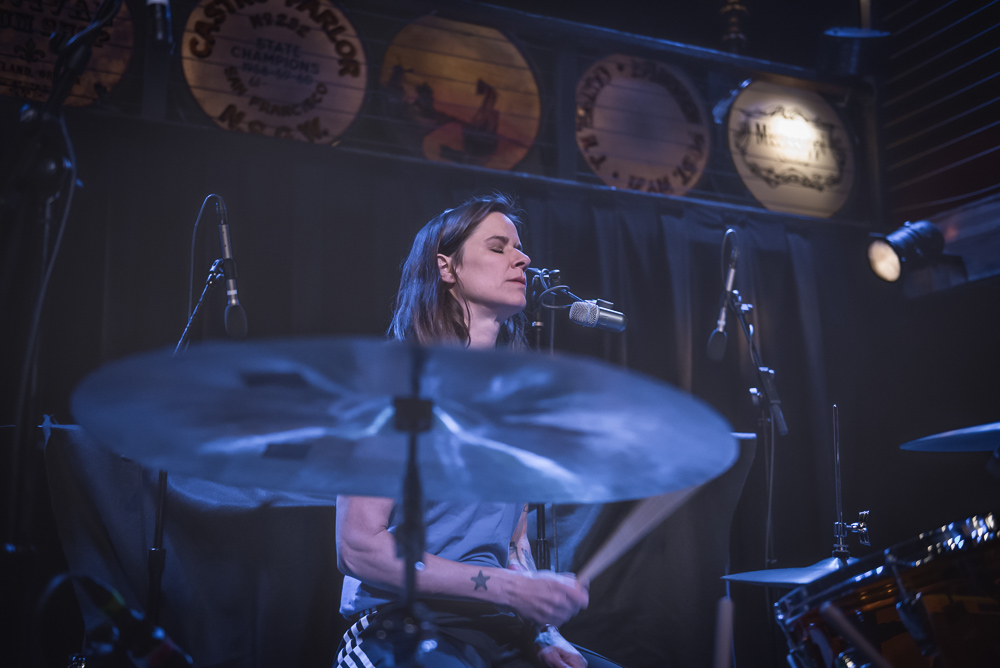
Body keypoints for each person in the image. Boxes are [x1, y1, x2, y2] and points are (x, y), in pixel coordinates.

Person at [334, 194, 620, 668]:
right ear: (447, 269)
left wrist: (544, 633)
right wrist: (508, 589)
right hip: (402, 625)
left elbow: (512, 546)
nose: (522, 258)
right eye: (498, 247)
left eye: (520, 247)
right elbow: (360, 547)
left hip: (498, 629)